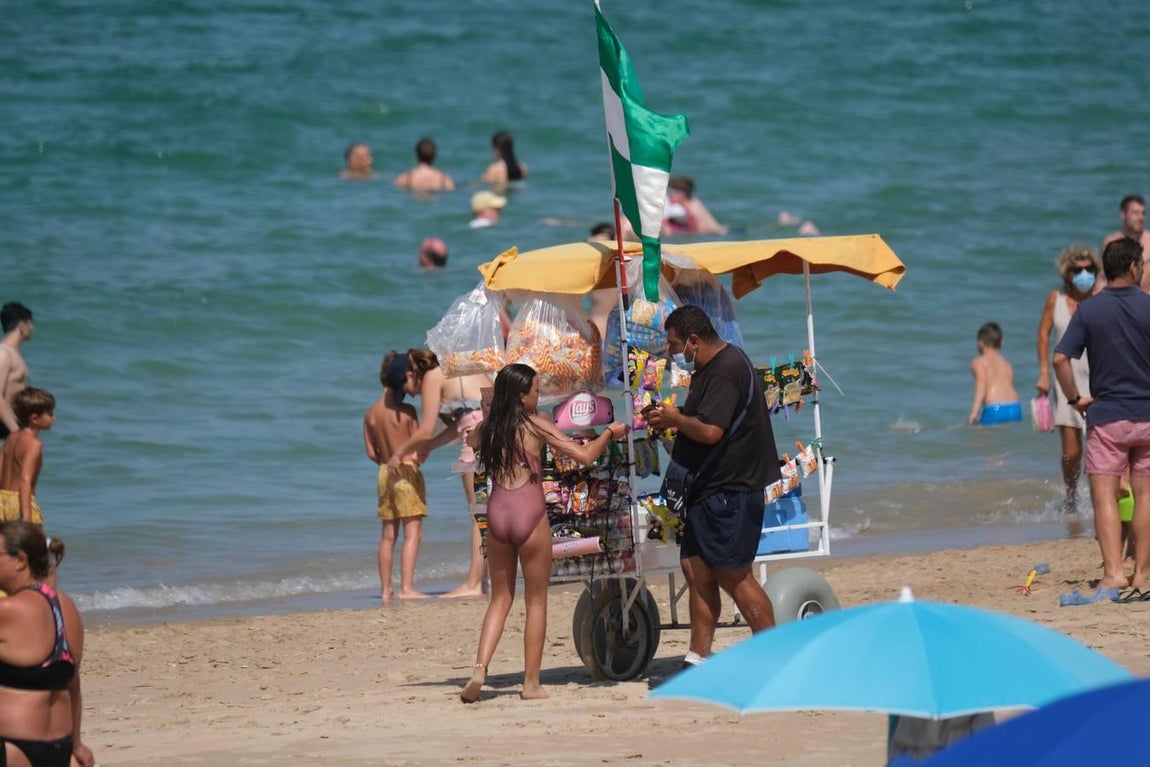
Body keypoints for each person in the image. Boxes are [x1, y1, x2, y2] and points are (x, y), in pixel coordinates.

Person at [459, 364, 627, 703]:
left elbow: (470, 440)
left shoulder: (488, 429)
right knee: (536, 601)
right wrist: (610, 432)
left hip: (497, 514)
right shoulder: (537, 425)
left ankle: (479, 669)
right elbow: (584, 456)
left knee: (500, 599)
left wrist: (490, 410)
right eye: (536, 390)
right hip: (530, 514)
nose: (539, 396)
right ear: (523, 397)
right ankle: (531, 683)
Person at [645, 306, 780, 667]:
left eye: (675, 345)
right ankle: (698, 658)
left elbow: (710, 431)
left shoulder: (725, 369)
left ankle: (774, 658)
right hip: (708, 487)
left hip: (730, 490)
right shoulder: (711, 368)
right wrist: (672, 422)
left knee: (734, 575)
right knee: (695, 567)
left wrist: (676, 418)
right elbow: (702, 423)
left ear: (694, 340)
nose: (673, 352)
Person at [1054, 236, 1150, 594]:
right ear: (1133, 266)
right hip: (1148, 415)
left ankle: (1114, 573)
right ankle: (1142, 574)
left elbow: (1060, 359)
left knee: (1105, 497)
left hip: (1107, 417)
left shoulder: (1089, 310)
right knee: (1146, 496)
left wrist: (1075, 399)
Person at [389, 350, 493, 599]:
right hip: (495, 429)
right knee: (488, 511)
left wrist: (398, 453)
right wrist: (428, 448)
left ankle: (473, 584)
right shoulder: (455, 367)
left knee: (478, 513)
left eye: (406, 389)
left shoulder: (433, 376)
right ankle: (485, 581)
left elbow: (426, 429)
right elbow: (460, 423)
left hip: (477, 438)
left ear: (411, 374)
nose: (412, 395)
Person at [0, 521, 95, 767]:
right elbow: (73, 685)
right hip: (60, 747)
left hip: (13, 747)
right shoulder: (66, 607)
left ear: (20, 560)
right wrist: (77, 745)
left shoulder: (8, 610)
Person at [1036, 245, 1103, 509]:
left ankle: (1100, 497)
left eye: (1089, 269)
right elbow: (1043, 335)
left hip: (1098, 379)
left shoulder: (1100, 298)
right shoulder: (1056, 299)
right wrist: (1044, 372)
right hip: (1065, 381)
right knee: (1072, 452)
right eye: (1078, 270)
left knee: (1100, 447)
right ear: (1067, 273)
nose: (1084, 274)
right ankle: (1072, 496)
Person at [363, 352, 432, 602]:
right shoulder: (407, 411)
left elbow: (371, 452)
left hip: (384, 473)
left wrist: (386, 463)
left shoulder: (370, 413)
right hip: (405, 472)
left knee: (388, 535)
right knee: (413, 532)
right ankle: (407, 587)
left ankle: (385, 590)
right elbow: (419, 443)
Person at [0, 388, 53, 524]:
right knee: (33, 537)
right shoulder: (34, 444)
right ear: (35, 419)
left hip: (2, 499)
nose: (53, 418)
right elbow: (25, 480)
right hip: (19, 503)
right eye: (50, 414)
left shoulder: (11, 437)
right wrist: (27, 519)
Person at [967, 322, 1021, 426]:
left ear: (980, 343)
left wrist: (974, 413)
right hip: (1015, 407)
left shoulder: (979, 362)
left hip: (995, 409)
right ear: (1001, 343)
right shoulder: (1007, 365)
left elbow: (981, 386)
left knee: (980, 436)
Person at [0, 303, 34, 442]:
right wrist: (16, 432)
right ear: (22, 325)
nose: (32, 328)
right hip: (4, 428)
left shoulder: (14, 354)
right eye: (31, 323)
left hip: (10, 427)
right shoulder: (3, 353)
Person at [1103, 195, 1150, 292]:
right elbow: (1103, 278)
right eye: (1136, 213)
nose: (1141, 217)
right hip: (1118, 297)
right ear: (1123, 214)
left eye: (1143, 213)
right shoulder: (1111, 242)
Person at [661, 176, 728, 236]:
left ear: (682, 194)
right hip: (720, 232)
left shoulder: (693, 209)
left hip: (720, 234)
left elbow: (700, 233)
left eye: (670, 192)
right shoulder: (692, 202)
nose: (668, 195)